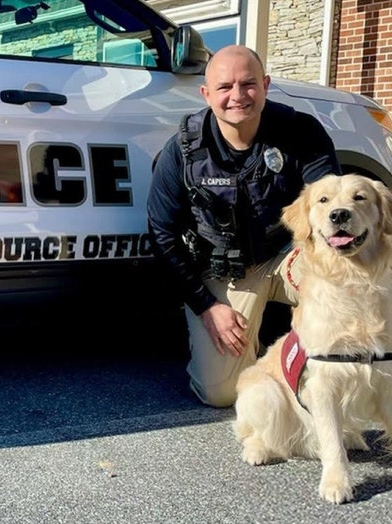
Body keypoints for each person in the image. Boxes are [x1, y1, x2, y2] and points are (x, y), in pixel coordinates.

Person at [146, 45, 341, 407]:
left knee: (339, 276)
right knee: (221, 393)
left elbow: (331, 205)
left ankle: (332, 370)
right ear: (206, 94)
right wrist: (207, 307)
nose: (237, 96)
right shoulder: (183, 151)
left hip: (288, 255)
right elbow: (162, 234)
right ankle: (249, 354)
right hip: (227, 270)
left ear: (265, 85)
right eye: (224, 87)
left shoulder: (300, 133)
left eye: (248, 84)